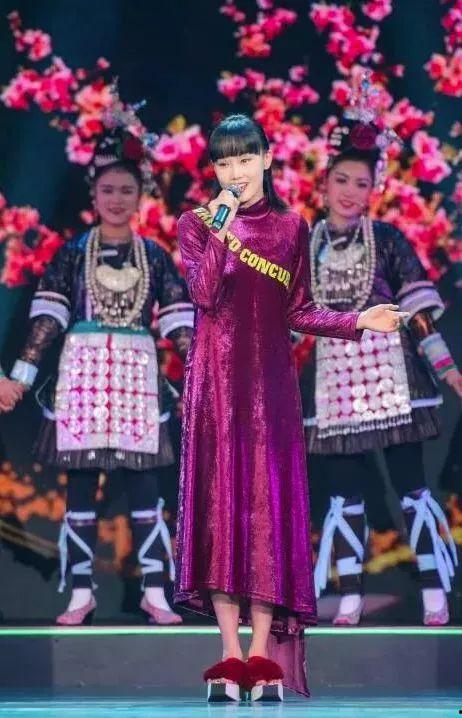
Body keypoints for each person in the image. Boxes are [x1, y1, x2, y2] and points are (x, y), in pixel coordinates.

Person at [174, 113, 405, 702]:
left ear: (267, 159)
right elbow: (203, 293)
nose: (235, 171)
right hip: (215, 392)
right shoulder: (196, 224)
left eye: (244, 159)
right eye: (224, 162)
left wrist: (358, 320)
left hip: (269, 390)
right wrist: (222, 226)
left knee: (264, 513)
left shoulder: (289, 227)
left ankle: (260, 654)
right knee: (221, 511)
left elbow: (299, 310)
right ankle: (229, 655)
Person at [0, 92, 194, 625]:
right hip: (82, 380)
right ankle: (80, 592)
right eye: (108, 189)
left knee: (145, 488)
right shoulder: (72, 254)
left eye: (126, 190)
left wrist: (203, 379)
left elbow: (180, 326)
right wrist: (19, 378)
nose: (116, 199)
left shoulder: (154, 256)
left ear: (141, 195)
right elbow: (47, 323)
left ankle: (156, 590)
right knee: (81, 488)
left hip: (136, 382)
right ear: (93, 192)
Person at [301, 75, 462, 628]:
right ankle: (348, 592)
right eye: (341, 180)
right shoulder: (305, 246)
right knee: (344, 495)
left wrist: (448, 370)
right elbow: (292, 322)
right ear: (325, 182)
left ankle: (434, 588)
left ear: (375, 189)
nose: (350, 191)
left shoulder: (388, 240)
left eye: (361, 183)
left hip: (393, 377)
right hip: (335, 383)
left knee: (412, 487)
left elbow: (418, 313)